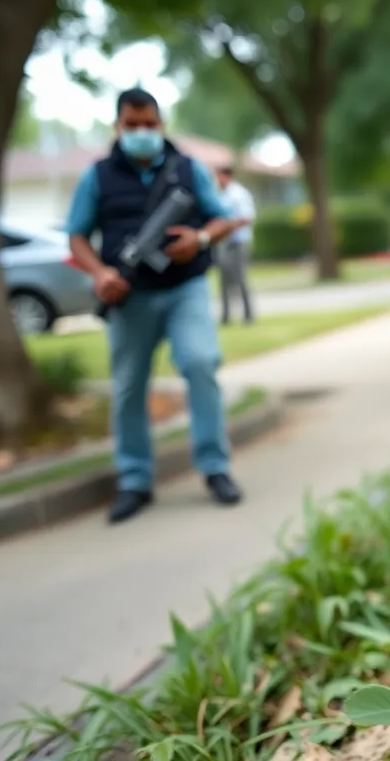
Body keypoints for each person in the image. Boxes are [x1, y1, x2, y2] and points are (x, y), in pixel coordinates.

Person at [65, 87, 244, 524]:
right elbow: (76, 236)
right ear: (118, 126)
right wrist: (101, 274)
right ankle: (134, 479)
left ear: (161, 124)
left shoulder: (188, 169)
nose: (141, 132)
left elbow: (221, 218)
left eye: (149, 124)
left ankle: (214, 467)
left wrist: (199, 239)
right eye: (132, 125)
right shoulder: (97, 176)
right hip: (130, 298)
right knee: (128, 386)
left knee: (201, 364)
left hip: (185, 288)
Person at [212, 164, 257, 325]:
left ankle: (248, 315)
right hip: (224, 242)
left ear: (227, 176)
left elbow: (246, 218)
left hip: (238, 242)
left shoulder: (239, 194)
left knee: (240, 278)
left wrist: (228, 227)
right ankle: (225, 316)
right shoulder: (220, 194)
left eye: (218, 176)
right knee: (223, 280)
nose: (216, 180)